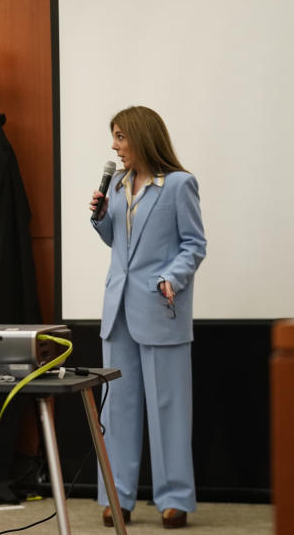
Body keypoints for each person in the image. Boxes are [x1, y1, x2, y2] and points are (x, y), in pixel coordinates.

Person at [89, 106, 206, 529]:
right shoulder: (118, 186)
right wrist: (101, 218)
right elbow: (119, 243)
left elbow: (194, 244)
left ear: (141, 137)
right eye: (114, 138)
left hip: (160, 308)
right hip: (118, 310)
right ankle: (116, 497)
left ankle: (174, 498)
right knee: (117, 408)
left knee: (168, 407)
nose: (115, 147)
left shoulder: (178, 185)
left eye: (121, 137)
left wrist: (172, 277)